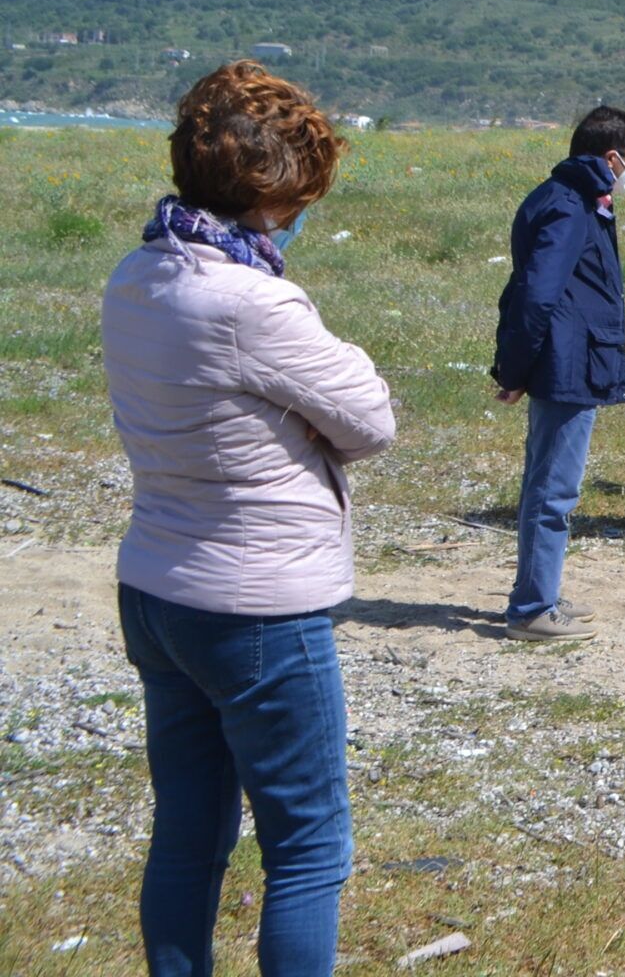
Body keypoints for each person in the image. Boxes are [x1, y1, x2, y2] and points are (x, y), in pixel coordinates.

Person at [104, 61, 396, 974]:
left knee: (189, 835)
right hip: (257, 604)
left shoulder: (138, 271)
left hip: (156, 584)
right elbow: (372, 419)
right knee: (308, 851)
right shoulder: (252, 302)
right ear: (272, 198)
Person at [492, 105, 625, 642]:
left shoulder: (570, 198)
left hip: (573, 359)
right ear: (610, 157)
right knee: (553, 491)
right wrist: (514, 368)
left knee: (550, 485)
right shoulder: (570, 206)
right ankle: (532, 609)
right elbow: (535, 295)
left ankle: (542, 591)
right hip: (566, 364)